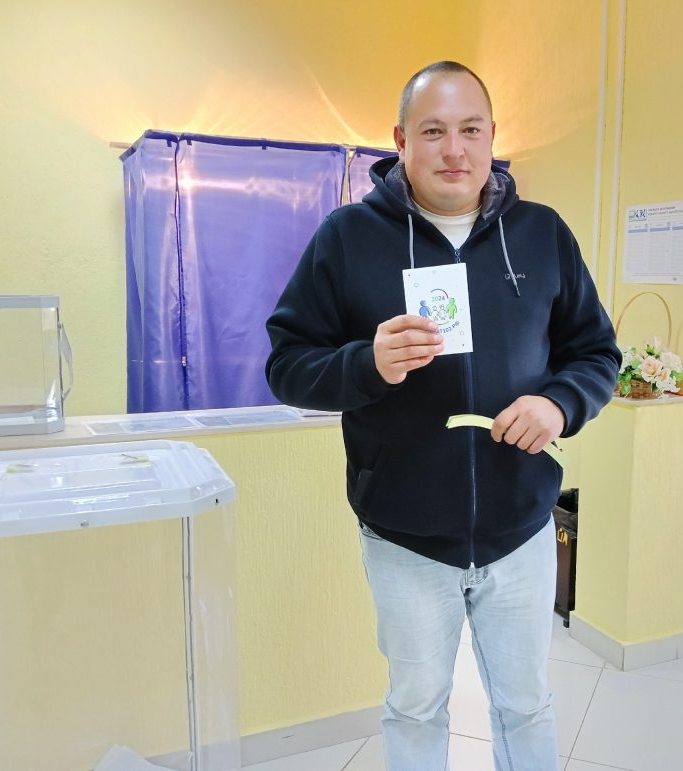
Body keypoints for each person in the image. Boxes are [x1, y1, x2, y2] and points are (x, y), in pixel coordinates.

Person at [266, 61, 620, 771]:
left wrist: (558, 403)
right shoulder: (347, 237)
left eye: (470, 130)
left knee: (526, 704)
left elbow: (595, 353)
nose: (454, 150)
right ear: (401, 140)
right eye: (433, 131)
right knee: (416, 706)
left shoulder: (543, 233)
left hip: (521, 528)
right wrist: (366, 363)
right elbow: (288, 366)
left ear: (492, 137)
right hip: (405, 537)